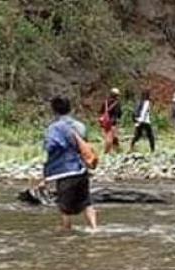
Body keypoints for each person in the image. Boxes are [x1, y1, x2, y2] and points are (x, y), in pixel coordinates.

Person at [43, 96, 98, 231]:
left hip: (65, 171)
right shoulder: (80, 126)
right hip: (81, 168)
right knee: (86, 201)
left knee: (64, 204)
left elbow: (52, 146)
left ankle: (66, 228)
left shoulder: (54, 128)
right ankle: (94, 227)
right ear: (69, 108)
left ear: (54, 110)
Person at [98, 88, 123, 154]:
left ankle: (117, 150)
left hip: (105, 122)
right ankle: (107, 151)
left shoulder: (105, 102)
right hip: (112, 123)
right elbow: (119, 113)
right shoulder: (117, 103)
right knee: (111, 138)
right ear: (116, 95)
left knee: (110, 136)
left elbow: (101, 111)